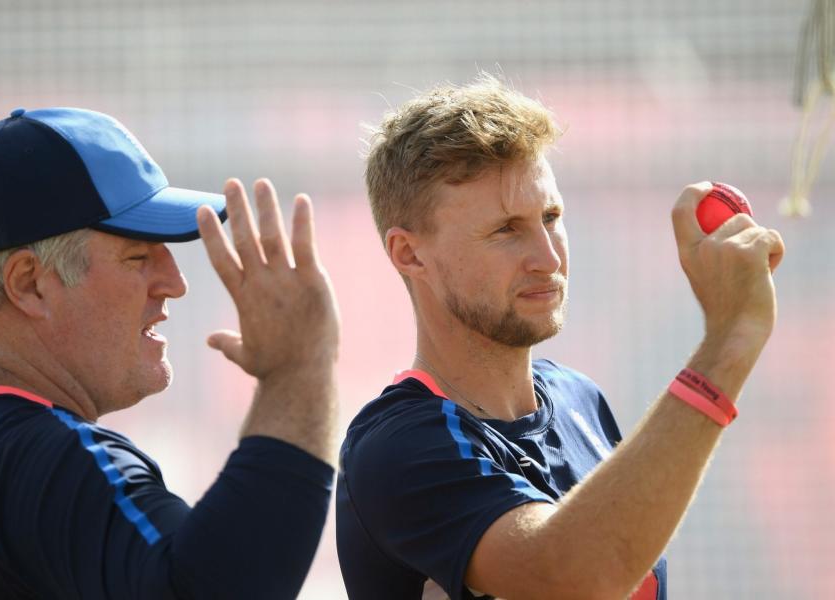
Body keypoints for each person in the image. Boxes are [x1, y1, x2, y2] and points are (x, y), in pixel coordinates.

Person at [336, 74, 785, 600]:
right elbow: (575, 575)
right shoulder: (399, 445)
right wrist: (728, 343)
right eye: (506, 229)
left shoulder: (579, 398)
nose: (548, 259)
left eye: (550, 217)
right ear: (410, 254)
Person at [0, 107, 340, 599]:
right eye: (137, 257)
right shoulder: (36, 456)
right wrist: (298, 371)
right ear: (30, 285)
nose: (174, 283)